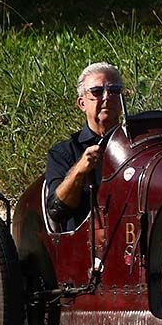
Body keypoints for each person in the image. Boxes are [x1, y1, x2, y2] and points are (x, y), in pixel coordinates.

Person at [45, 62, 124, 230]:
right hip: (87, 245)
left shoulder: (136, 144)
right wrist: (80, 170)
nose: (107, 97)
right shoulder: (63, 152)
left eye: (114, 91)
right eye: (97, 92)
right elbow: (56, 211)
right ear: (82, 103)